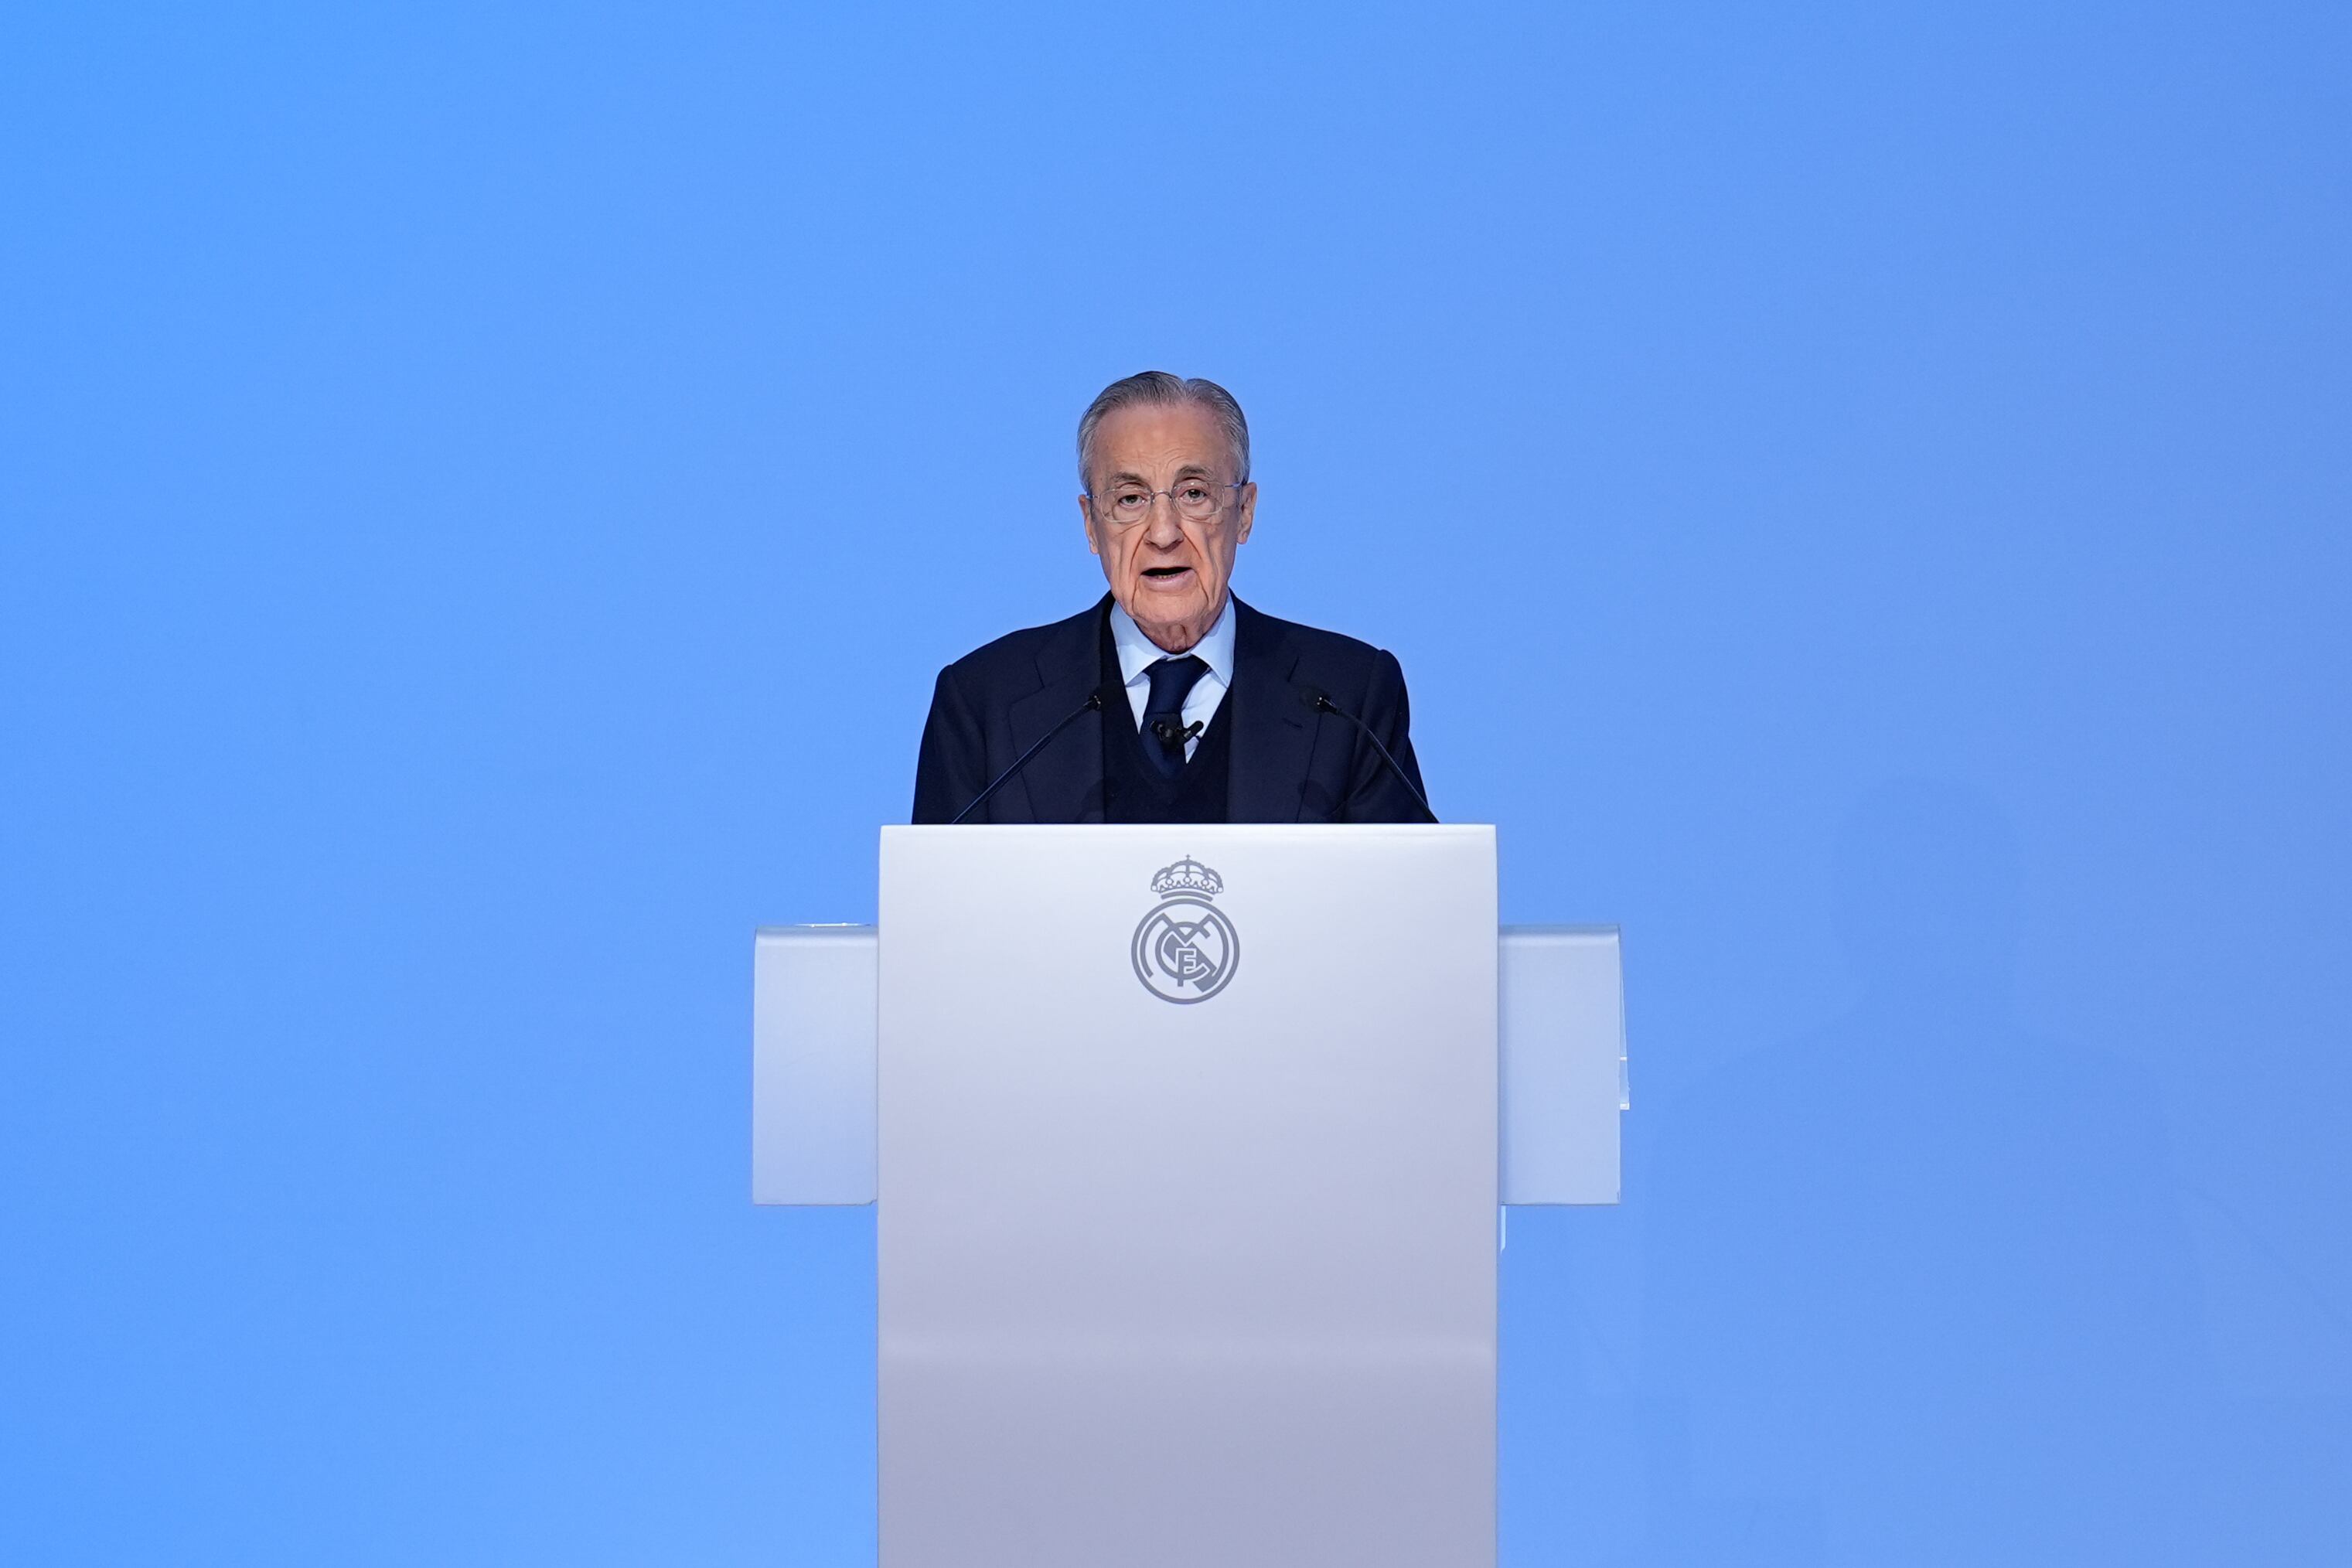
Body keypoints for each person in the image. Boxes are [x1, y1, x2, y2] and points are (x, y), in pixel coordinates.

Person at [912, 371, 1431, 824]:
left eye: (1194, 494)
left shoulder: (1348, 697)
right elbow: (938, 921)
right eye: (1130, 499)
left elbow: (1409, 915)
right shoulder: (986, 703)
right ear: (1091, 525)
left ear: (1244, 512)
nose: (1163, 533)